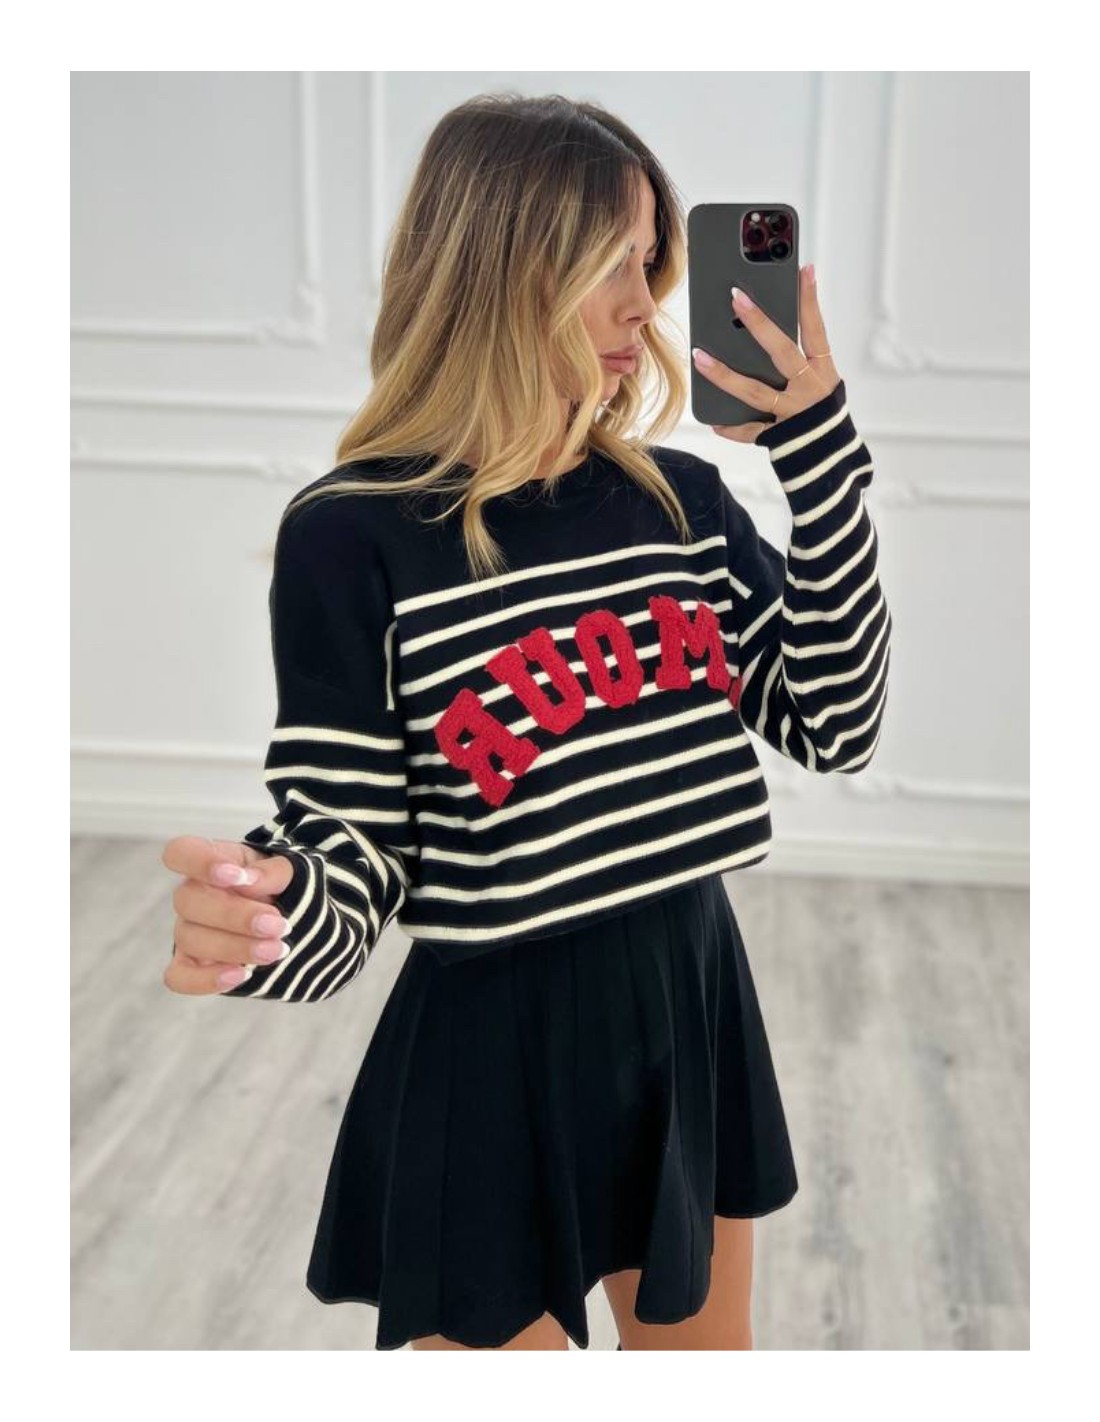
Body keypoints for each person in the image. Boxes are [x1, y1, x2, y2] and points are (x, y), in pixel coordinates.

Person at [162, 93, 892, 1351]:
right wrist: (270, 918)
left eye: (651, 263)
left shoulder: (680, 504)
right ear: (498, 267)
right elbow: (354, 841)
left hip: (689, 1001)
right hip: (490, 1051)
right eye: (608, 262)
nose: (643, 306)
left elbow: (833, 720)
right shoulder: (351, 537)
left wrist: (816, 455)